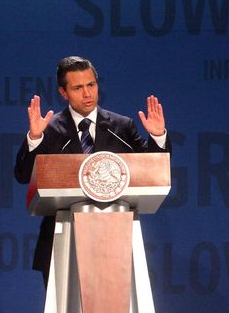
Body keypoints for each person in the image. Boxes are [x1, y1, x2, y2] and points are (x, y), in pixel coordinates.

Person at [14, 56, 171, 285]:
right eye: (78, 88)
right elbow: (23, 175)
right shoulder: (49, 129)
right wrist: (35, 139)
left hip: (115, 241)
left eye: (91, 85)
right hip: (61, 241)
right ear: (63, 92)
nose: (87, 93)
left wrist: (157, 137)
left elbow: (153, 172)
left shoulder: (121, 127)